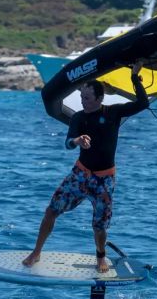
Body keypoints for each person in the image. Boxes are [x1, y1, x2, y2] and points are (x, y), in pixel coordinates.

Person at [23, 62, 149, 273]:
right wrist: (77, 141)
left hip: (104, 180)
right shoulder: (79, 117)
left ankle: (101, 256)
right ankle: (36, 252)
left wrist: (135, 78)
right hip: (80, 175)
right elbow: (67, 142)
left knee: (99, 226)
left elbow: (142, 103)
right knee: (51, 211)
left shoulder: (114, 113)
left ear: (100, 99)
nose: (83, 102)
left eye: (87, 99)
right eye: (81, 98)